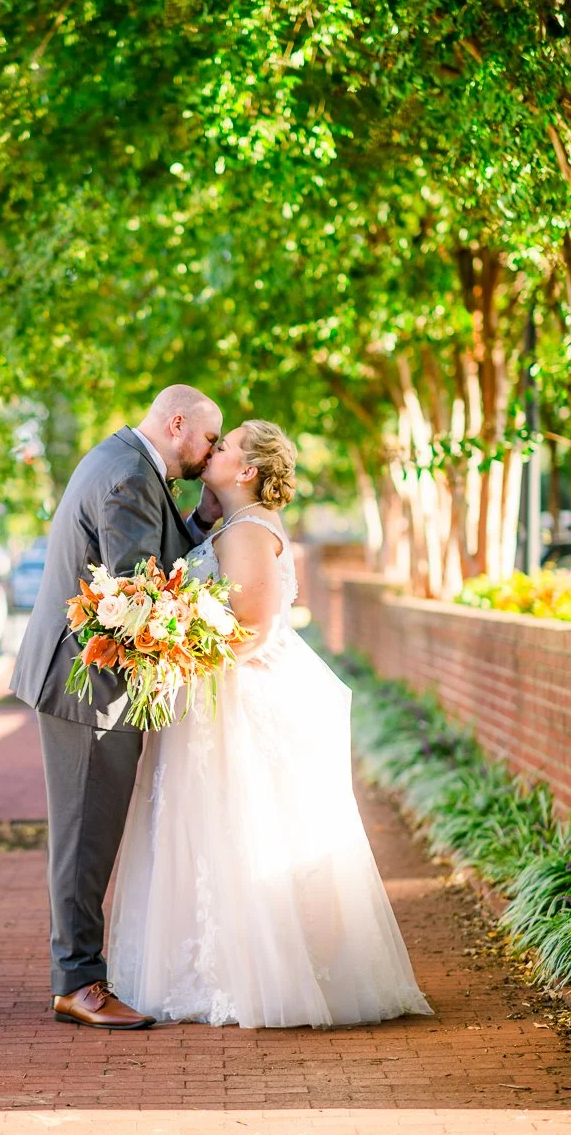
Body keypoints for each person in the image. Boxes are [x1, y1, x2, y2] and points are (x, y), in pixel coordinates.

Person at [108, 420, 433, 1028]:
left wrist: (181, 655)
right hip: (214, 696)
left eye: (223, 445)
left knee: (236, 828)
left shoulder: (251, 531)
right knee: (211, 832)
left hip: (235, 700)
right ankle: (211, 967)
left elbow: (252, 629)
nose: (213, 450)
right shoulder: (233, 525)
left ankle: (249, 976)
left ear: (248, 469)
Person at [11, 385, 223, 1030]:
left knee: (90, 834)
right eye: (209, 440)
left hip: (87, 679)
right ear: (178, 422)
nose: (210, 453)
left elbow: (147, 555)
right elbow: (140, 588)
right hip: (87, 687)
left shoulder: (124, 459)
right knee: (84, 838)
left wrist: (204, 522)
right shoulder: (131, 474)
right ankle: (78, 983)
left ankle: (81, 973)